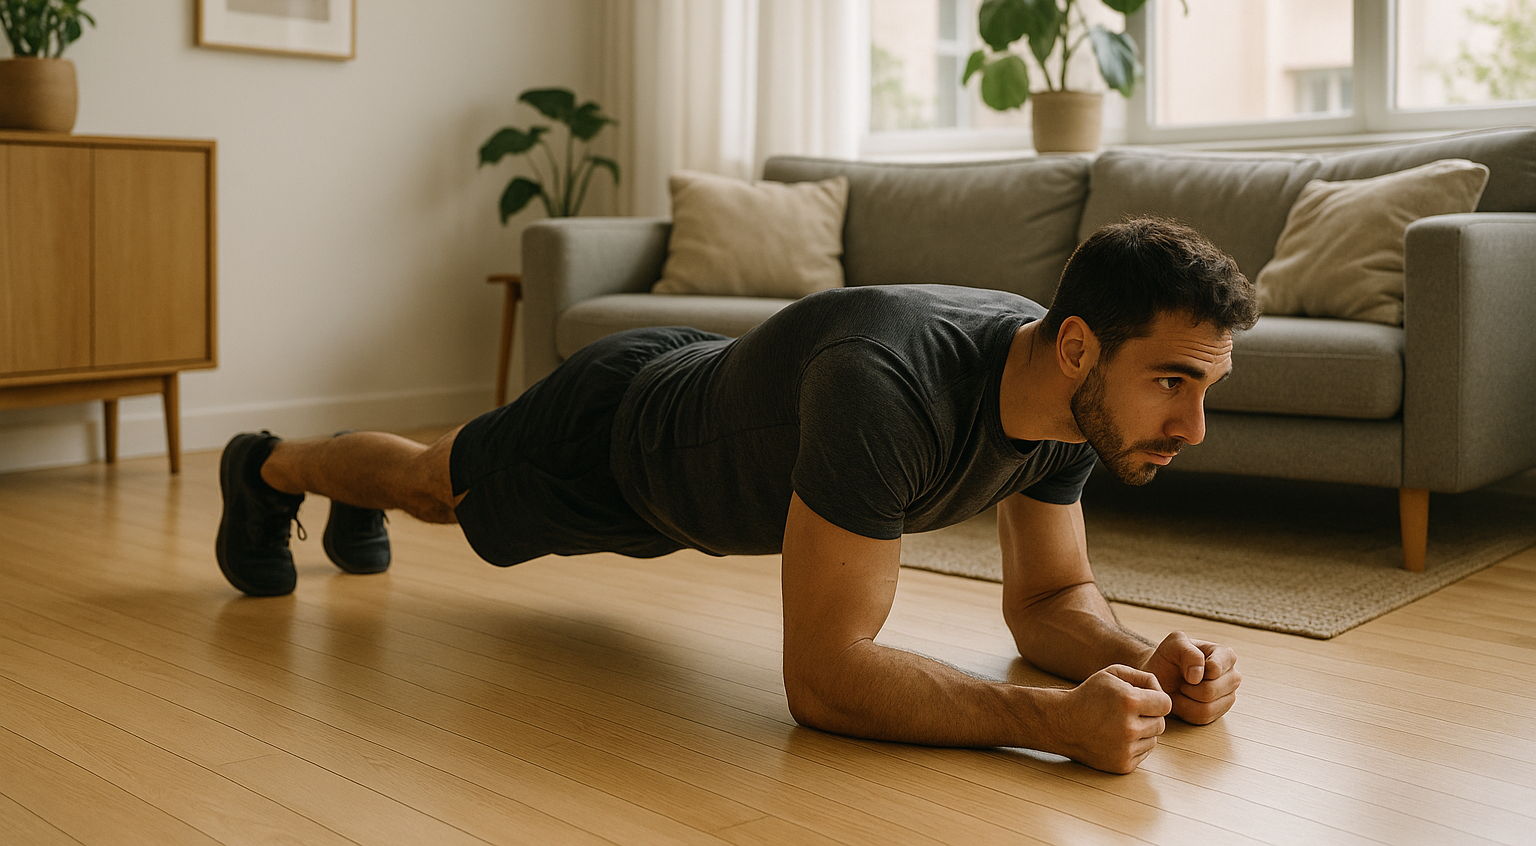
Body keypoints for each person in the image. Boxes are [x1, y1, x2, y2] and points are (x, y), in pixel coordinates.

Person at [216, 217, 1258, 774]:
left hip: (717, 409)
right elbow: (824, 678)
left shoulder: (1064, 402)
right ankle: (271, 465)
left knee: (428, 480)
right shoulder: (886, 385)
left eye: (1204, 388)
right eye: (1174, 382)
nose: (1192, 426)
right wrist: (1052, 723)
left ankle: (344, 487)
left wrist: (1142, 660)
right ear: (1080, 345)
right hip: (616, 439)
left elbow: (1043, 602)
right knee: (433, 483)